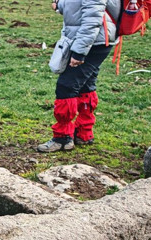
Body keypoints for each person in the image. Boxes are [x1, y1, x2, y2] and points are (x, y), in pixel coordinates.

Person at [37, 0, 122, 153]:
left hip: (93, 41)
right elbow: (79, 7)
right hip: (97, 39)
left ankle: (62, 138)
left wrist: (79, 52)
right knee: (85, 85)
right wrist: (60, 5)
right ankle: (84, 133)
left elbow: (92, 18)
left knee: (66, 86)